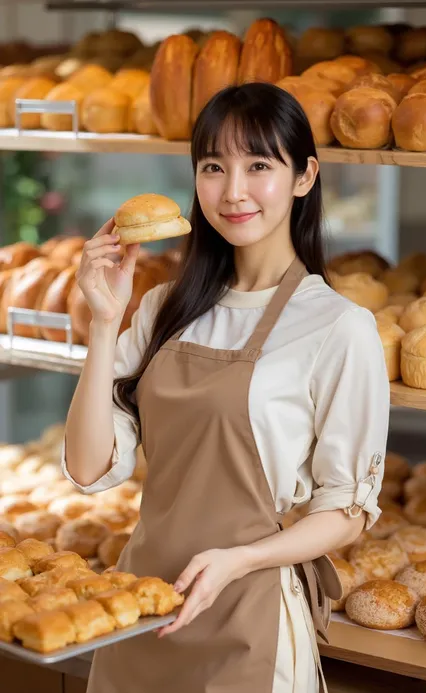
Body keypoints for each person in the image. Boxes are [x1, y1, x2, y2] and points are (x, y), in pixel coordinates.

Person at [63, 82, 390, 693]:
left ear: (304, 176)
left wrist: (240, 560)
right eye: (213, 166)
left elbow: (347, 510)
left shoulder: (339, 328)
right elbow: (87, 467)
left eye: (259, 165)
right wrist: (105, 324)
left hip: (250, 618)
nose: (233, 190)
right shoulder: (164, 306)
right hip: (138, 609)